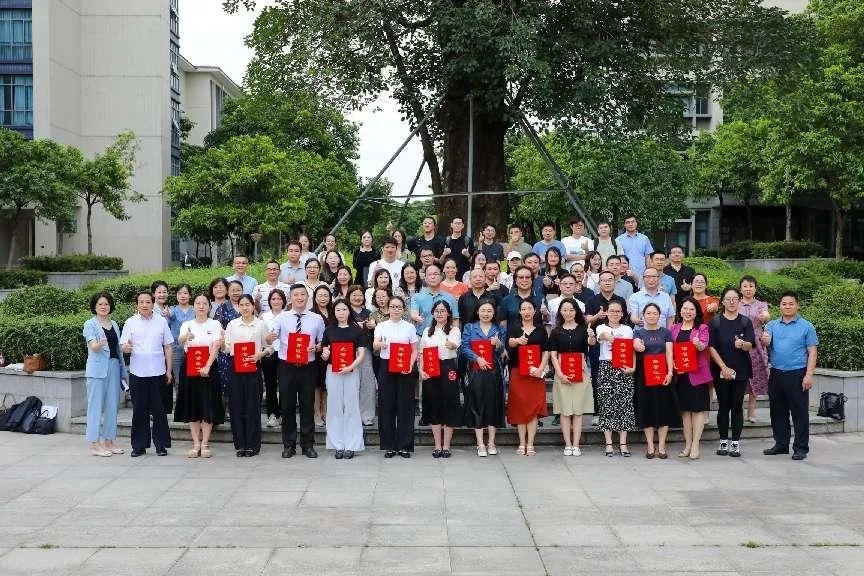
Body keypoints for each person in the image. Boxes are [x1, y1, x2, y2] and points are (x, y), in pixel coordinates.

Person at [267, 284, 326, 459]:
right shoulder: (281, 318)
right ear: (290, 298)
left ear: (307, 297)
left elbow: (322, 342)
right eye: (296, 295)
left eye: (302, 294)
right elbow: (270, 337)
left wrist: (316, 347)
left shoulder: (316, 319)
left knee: (308, 406)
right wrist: (270, 337)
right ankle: (289, 445)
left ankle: (308, 445)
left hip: (308, 367)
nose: (299, 298)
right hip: (287, 366)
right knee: (287, 406)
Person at [761, 291, 819, 461]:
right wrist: (764, 341)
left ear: (797, 305)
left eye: (791, 303)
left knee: (799, 412)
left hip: (797, 374)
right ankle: (781, 444)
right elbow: (766, 343)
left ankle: (801, 447)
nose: (787, 306)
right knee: (777, 412)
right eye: (784, 303)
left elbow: (812, 352)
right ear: (779, 306)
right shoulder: (771, 325)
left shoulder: (807, 326)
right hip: (776, 373)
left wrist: (809, 375)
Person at [119, 291, 174, 457]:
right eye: (141, 302)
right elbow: (124, 346)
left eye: (148, 302)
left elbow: (168, 346)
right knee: (139, 410)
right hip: (138, 372)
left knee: (159, 410)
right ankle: (139, 446)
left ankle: (161, 445)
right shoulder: (130, 322)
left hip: (158, 371)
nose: (144, 305)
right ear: (136, 304)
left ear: (152, 303)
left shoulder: (161, 321)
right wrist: (126, 348)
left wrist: (169, 370)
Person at [174, 293, 224, 459]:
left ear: (209, 306)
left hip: (209, 367)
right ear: (193, 306)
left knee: (207, 404)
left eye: (204, 303)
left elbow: (216, 346)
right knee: (193, 404)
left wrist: (208, 366)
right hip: (190, 367)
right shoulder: (187, 324)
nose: (201, 306)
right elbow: (180, 341)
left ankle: (205, 443)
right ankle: (196, 443)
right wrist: (186, 336)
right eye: (198, 303)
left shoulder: (215, 324)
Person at [708, 287, 756, 458]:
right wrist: (723, 367)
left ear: (739, 300)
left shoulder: (745, 322)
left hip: (740, 370)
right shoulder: (715, 322)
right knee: (723, 406)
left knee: (737, 406)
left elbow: (751, 344)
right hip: (720, 370)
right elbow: (711, 347)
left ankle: (735, 442)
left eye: (735, 298)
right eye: (728, 299)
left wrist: (742, 344)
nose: (731, 301)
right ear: (722, 302)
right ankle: (723, 440)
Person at [373, 295, 419, 458]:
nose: (396, 310)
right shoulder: (381, 325)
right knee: (386, 405)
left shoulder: (409, 327)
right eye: (393, 307)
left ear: (403, 309)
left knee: (405, 406)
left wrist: (410, 365)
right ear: (388, 308)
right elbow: (375, 344)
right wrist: (380, 344)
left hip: (405, 367)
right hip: (386, 366)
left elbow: (414, 350)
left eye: (399, 307)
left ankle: (405, 445)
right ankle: (389, 445)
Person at [83, 292, 128, 457]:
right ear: (94, 307)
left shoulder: (114, 324)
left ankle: (109, 441)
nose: (104, 307)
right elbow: (93, 346)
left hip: (114, 367)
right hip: (97, 370)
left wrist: (123, 371)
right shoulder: (90, 324)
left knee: (112, 406)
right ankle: (95, 444)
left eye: (106, 304)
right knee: (95, 407)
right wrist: (99, 344)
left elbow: (118, 350)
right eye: (100, 304)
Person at [549, 298, 595, 456]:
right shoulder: (556, 331)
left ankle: (576, 445)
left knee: (578, 411)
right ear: (560, 312)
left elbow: (591, 344)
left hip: (580, 370)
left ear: (576, 311)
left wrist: (591, 336)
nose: (568, 313)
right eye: (565, 310)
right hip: (561, 371)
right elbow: (553, 355)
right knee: (565, 410)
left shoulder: (583, 329)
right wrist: (559, 373)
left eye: (571, 310)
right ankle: (567, 444)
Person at [321, 300, 366, 459]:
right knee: (334, 407)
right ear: (334, 312)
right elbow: (325, 352)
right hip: (332, 371)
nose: (341, 313)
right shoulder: (329, 330)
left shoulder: (356, 330)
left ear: (349, 311)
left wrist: (350, 367)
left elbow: (361, 354)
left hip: (351, 371)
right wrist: (325, 354)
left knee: (351, 406)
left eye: (344, 309)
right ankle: (337, 444)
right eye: (338, 310)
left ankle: (352, 445)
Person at [461, 300, 506, 457]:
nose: (486, 314)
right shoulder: (469, 327)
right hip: (476, 371)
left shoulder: (499, 329)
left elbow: (503, 352)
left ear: (494, 313)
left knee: (493, 404)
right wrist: (477, 358)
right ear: (477, 312)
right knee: (477, 404)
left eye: (489, 311)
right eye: (483, 310)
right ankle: (480, 443)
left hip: (494, 371)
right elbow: (464, 347)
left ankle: (491, 442)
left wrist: (498, 344)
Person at [418, 301, 462, 458]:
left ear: (448, 313)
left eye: (443, 311)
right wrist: (421, 370)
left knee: (449, 404)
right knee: (433, 404)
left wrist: (450, 344)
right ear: (433, 313)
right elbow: (422, 353)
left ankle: (446, 446)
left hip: (448, 367)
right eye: (437, 311)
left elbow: (454, 345)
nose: (440, 313)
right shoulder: (427, 331)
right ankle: (437, 445)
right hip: (430, 367)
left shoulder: (454, 330)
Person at [633, 302, 677, 458]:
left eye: (655, 313)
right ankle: (650, 446)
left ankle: (662, 446)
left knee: (664, 409)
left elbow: (669, 353)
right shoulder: (638, 333)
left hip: (663, 375)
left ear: (660, 316)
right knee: (647, 409)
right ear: (643, 316)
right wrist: (637, 346)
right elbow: (635, 345)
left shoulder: (666, 332)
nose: (652, 316)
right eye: (648, 313)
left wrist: (670, 372)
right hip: (644, 376)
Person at [506, 299, 549, 456]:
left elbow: (546, 351)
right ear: (519, 312)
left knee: (533, 408)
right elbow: (509, 342)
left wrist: (541, 368)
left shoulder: (541, 329)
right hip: (518, 372)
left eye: (529, 308)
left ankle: (530, 443)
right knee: (520, 408)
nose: (526, 311)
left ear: (534, 311)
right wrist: (518, 341)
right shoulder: (514, 328)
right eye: (523, 309)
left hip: (535, 374)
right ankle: (521, 443)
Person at [671, 297, 712, 460]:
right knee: (685, 411)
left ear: (696, 312)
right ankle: (687, 444)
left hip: (697, 375)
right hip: (680, 376)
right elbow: (670, 350)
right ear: (680, 310)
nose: (688, 312)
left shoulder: (702, 328)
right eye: (685, 308)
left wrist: (698, 344)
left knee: (698, 410)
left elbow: (704, 346)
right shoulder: (674, 328)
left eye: (691, 309)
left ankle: (695, 445)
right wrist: (673, 362)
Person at [594, 301, 636, 457]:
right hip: (606, 367)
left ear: (622, 313)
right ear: (607, 312)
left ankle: (623, 443)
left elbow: (631, 349)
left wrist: (633, 367)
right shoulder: (601, 327)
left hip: (624, 368)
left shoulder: (628, 329)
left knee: (625, 404)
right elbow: (602, 336)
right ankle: (609, 443)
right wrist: (608, 336)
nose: (615, 314)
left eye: (618, 311)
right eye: (612, 311)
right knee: (606, 404)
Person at [739, 275, 771, 423]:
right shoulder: (735, 303)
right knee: (739, 376)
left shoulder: (760, 305)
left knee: (756, 374)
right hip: (739, 343)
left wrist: (765, 316)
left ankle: (751, 408)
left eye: (751, 286)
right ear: (740, 289)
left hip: (756, 344)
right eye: (745, 286)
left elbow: (766, 316)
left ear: (755, 289)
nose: (748, 289)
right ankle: (738, 408)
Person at [347, 285, 378, 426]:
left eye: (360, 295)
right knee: (350, 383)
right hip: (348, 351)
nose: (357, 298)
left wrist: (373, 326)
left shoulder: (369, 313)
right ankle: (351, 415)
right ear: (348, 296)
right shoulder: (345, 311)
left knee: (367, 384)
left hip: (366, 351)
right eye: (354, 295)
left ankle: (367, 416)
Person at [214, 280, 243, 410]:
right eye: (233, 290)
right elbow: (217, 328)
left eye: (238, 290)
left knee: (241, 381)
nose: (236, 293)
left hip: (244, 350)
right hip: (226, 350)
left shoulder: (246, 305)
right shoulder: (222, 308)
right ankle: (224, 411)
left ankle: (238, 410)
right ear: (228, 292)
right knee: (225, 380)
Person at [260, 289, 286, 428]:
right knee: (270, 385)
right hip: (269, 353)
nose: (276, 301)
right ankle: (272, 414)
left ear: (283, 301)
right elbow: (260, 337)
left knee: (284, 385)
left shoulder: (288, 315)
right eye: (273, 299)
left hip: (285, 354)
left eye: (279, 298)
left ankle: (282, 414)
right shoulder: (264, 317)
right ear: (269, 301)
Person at [310, 284, 334, 428]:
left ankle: (326, 411)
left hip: (331, 353)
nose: (323, 298)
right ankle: (317, 413)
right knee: (317, 385)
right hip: (316, 353)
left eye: (326, 295)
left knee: (327, 384)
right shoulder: (311, 313)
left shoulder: (334, 311)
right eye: (320, 295)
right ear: (315, 298)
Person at [412, 264, 460, 335]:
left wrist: (455, 336)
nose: (433, 277)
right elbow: (414, 314)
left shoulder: (450, 298)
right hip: (422, 336)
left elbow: (455, 319)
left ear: (441, 277)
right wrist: (416, 317)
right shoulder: (417, 297)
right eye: (430, 274)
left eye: (435, 274)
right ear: (425, 278)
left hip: (444, 337)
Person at [168, 284, 195, 397]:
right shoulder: (171, 310)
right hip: (176, 348)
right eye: (179, 293)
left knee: (193, 378)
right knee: (178, 379)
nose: (182, 296)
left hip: (193, 347)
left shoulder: (195, 309)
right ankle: (180, 404)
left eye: (185, 293)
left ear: (190, 295)